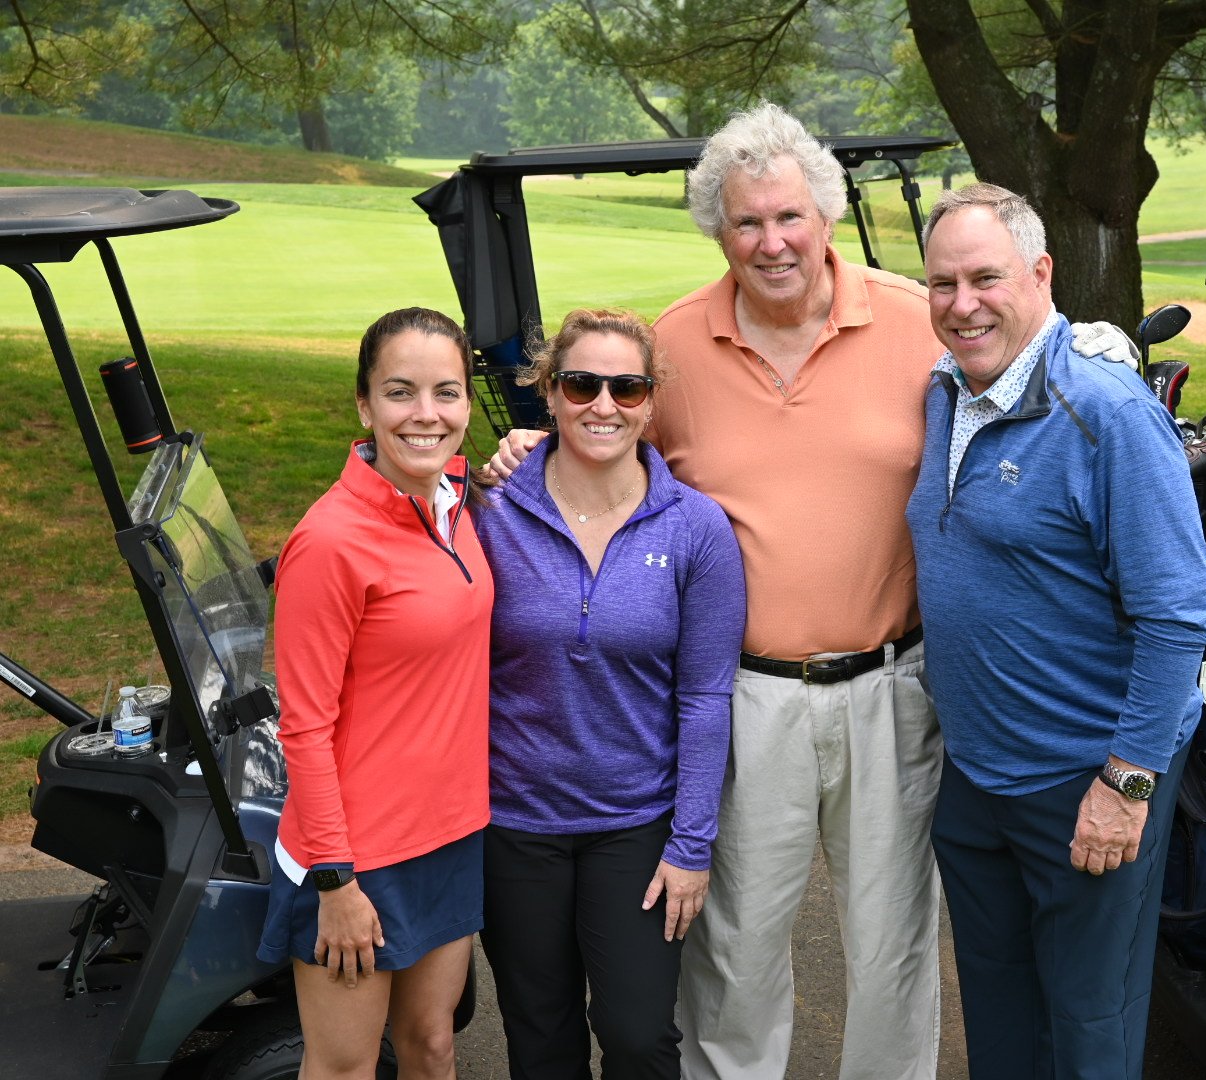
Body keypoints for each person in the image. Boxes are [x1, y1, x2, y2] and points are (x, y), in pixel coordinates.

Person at [487, 104, 1139, 1080]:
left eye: (788, 216)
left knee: (893, 952)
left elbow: (1027, 356)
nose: (771, 241)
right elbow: (606, 442)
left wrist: (1097, 346)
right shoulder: (672, 349)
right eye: (746, 222)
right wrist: (534, 447)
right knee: (735, 952)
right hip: (744, 694)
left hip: (894, 685)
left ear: (825, 215)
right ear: (719, 229)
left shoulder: (921, 322)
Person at [904, 184, 1206, 1080]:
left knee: (1087, 1033)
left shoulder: (1108, 413)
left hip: (1084, 781)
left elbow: (1179, 614)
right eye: (941, 283)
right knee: (1001, 1024)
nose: (962, 304)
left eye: (985, 278)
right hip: (977, 779)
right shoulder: (943, 391)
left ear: (1040, 274)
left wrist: (1124, 783)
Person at [476, 309, 746, 1080]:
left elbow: (704, 697)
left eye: (626, 387)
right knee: (540, 1033)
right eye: (581, 384)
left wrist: (691, 845)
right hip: (514, 822)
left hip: (636, 826)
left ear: (651, 401)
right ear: (548, 394)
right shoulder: (491, 512)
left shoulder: (697, 528)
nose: (604, 404)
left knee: (636, 1034)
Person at [259, 307, 492, 1080]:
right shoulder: (329, 542)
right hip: (357, 858)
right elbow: (305, 726)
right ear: (365, 405)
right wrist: (335, 881)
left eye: (446, 393)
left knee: (432, 1045)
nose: (426, 415)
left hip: (452, 833)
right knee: (346, 1067)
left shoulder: (455, 499)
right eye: (401, 392)